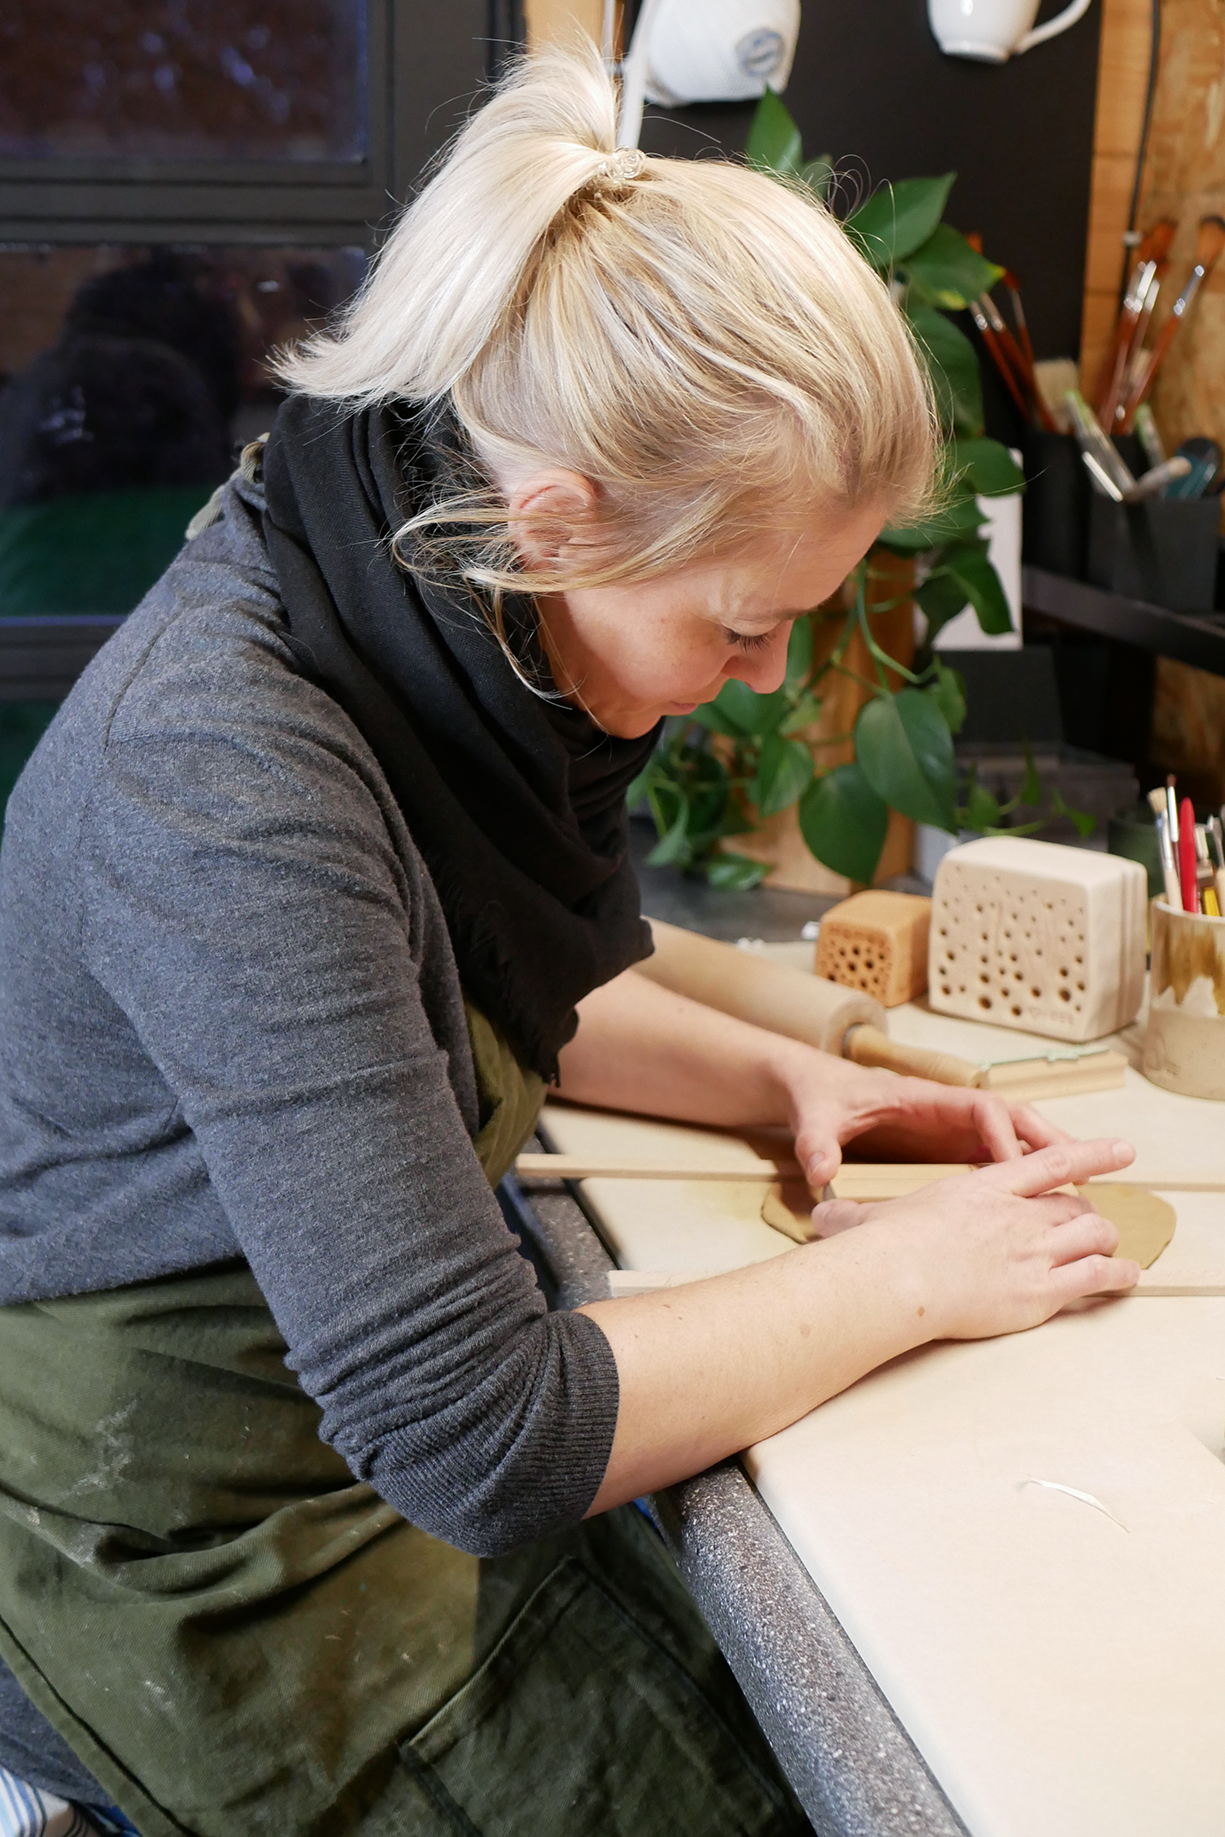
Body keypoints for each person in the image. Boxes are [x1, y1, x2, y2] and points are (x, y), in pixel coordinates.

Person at [0, 44, 1137, 1837]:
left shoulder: (403, 590)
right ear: (557, 525)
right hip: (194, 1542)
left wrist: (785, 1076)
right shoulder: (230, 780)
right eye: (745, 625)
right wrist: (911, 1278)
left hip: (352, 1447)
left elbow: (422, 996)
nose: (765, 679)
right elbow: (482, 1433)